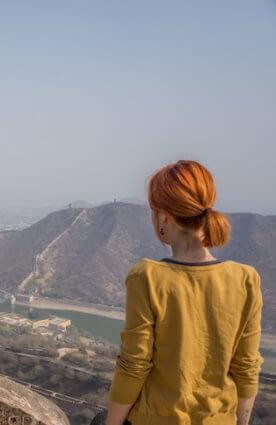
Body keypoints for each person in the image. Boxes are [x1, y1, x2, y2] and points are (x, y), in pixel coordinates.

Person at [106, 160, 263, 425]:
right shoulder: (246, 280)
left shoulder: (147, 278)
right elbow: (246, 367)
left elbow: (134, 365)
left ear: (164, 216)